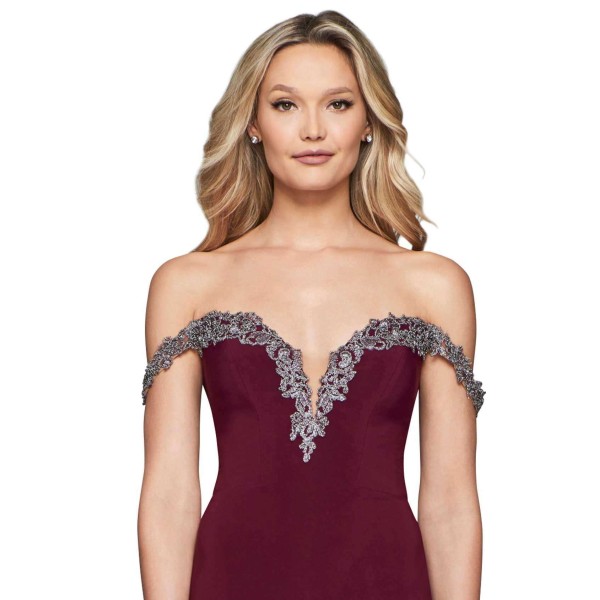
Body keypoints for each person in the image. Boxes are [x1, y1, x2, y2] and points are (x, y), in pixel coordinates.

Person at [138, 10, 486, 600]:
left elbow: (450, 500)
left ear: (369, 121)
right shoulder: (187, 285)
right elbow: (169, 492)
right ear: (253, 123)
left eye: (338, 104)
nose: (313, 130)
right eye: (285, 105)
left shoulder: (433, 286)